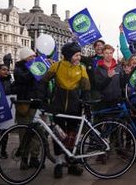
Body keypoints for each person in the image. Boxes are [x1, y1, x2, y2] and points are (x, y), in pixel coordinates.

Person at [41, 42, 91, 178]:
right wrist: (43, 99)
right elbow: (44, 81)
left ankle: (71, 163)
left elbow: (86, 88)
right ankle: (58, 162)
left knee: (71, 136)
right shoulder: (56, 66)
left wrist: (86, 103)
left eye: (79, 55)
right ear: (68, 55)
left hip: (74, 107)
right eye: (76, 55)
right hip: (58, 106)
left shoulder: (81, 68)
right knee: (58, 135)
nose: (79, 58)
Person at [13, 47, 45, 170]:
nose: (34, 58)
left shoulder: (35, 66)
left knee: (37, 133)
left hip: (36, 104)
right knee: (24, 133)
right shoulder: (18, 69)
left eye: (34, 56)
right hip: (24, 104)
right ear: (25, 58)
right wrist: (34, 69)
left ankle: (34, 158)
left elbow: (42, 84)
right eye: (31, 56)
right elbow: (23, 79)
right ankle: (24, 159)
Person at [0, 64, 14, 159]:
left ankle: (3, 151)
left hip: (5, 108)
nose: (6, 71)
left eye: (7, 70)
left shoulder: (9, 81)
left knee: (5, 132)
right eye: (3, 70)